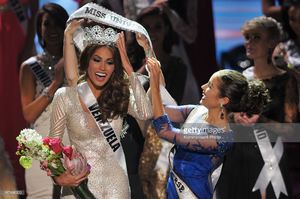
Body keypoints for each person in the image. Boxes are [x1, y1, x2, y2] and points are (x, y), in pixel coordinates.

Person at [48, 15, 153, 198]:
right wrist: (59, 179)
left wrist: (128, 68)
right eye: (97, 60)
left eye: (110, 62)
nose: (102, 68)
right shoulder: (65, 96)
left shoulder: (119, 95)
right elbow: (52, 147)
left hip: (116, 188)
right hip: (79, 188)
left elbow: (146, 112)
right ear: (87, 60)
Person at [148, 55, 270, 199]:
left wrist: (155, 82)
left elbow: (165, 131)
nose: (203, 87)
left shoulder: (222, 137)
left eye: (210, 86)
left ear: (223, 100)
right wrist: (149, 54)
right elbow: (158, 109)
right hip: (172, 191)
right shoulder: (196, 110)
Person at [217, 16, 299, 199]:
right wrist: (234, 118)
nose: (249, 43)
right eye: (247, 38)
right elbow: (223, 116)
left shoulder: (288, 80)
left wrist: (260, 121)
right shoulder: (239, 78)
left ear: (272, 42)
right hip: (238, 157)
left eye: (256, 37)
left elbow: (292, 131)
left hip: (271, 160)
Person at [19, 3, 69, 199]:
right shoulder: (31, 67)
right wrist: (56, 82)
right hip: (41, 147)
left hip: (72, 145)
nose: (53, 30)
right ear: (39, 28)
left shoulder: (81, 63)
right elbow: (29, 114)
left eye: (58, 24)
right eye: (47, 24)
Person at [0, 0, 38, 194]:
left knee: (14, 123)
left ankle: (21, 190)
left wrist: (30, 41)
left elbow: (33, 8)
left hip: (14, 45)